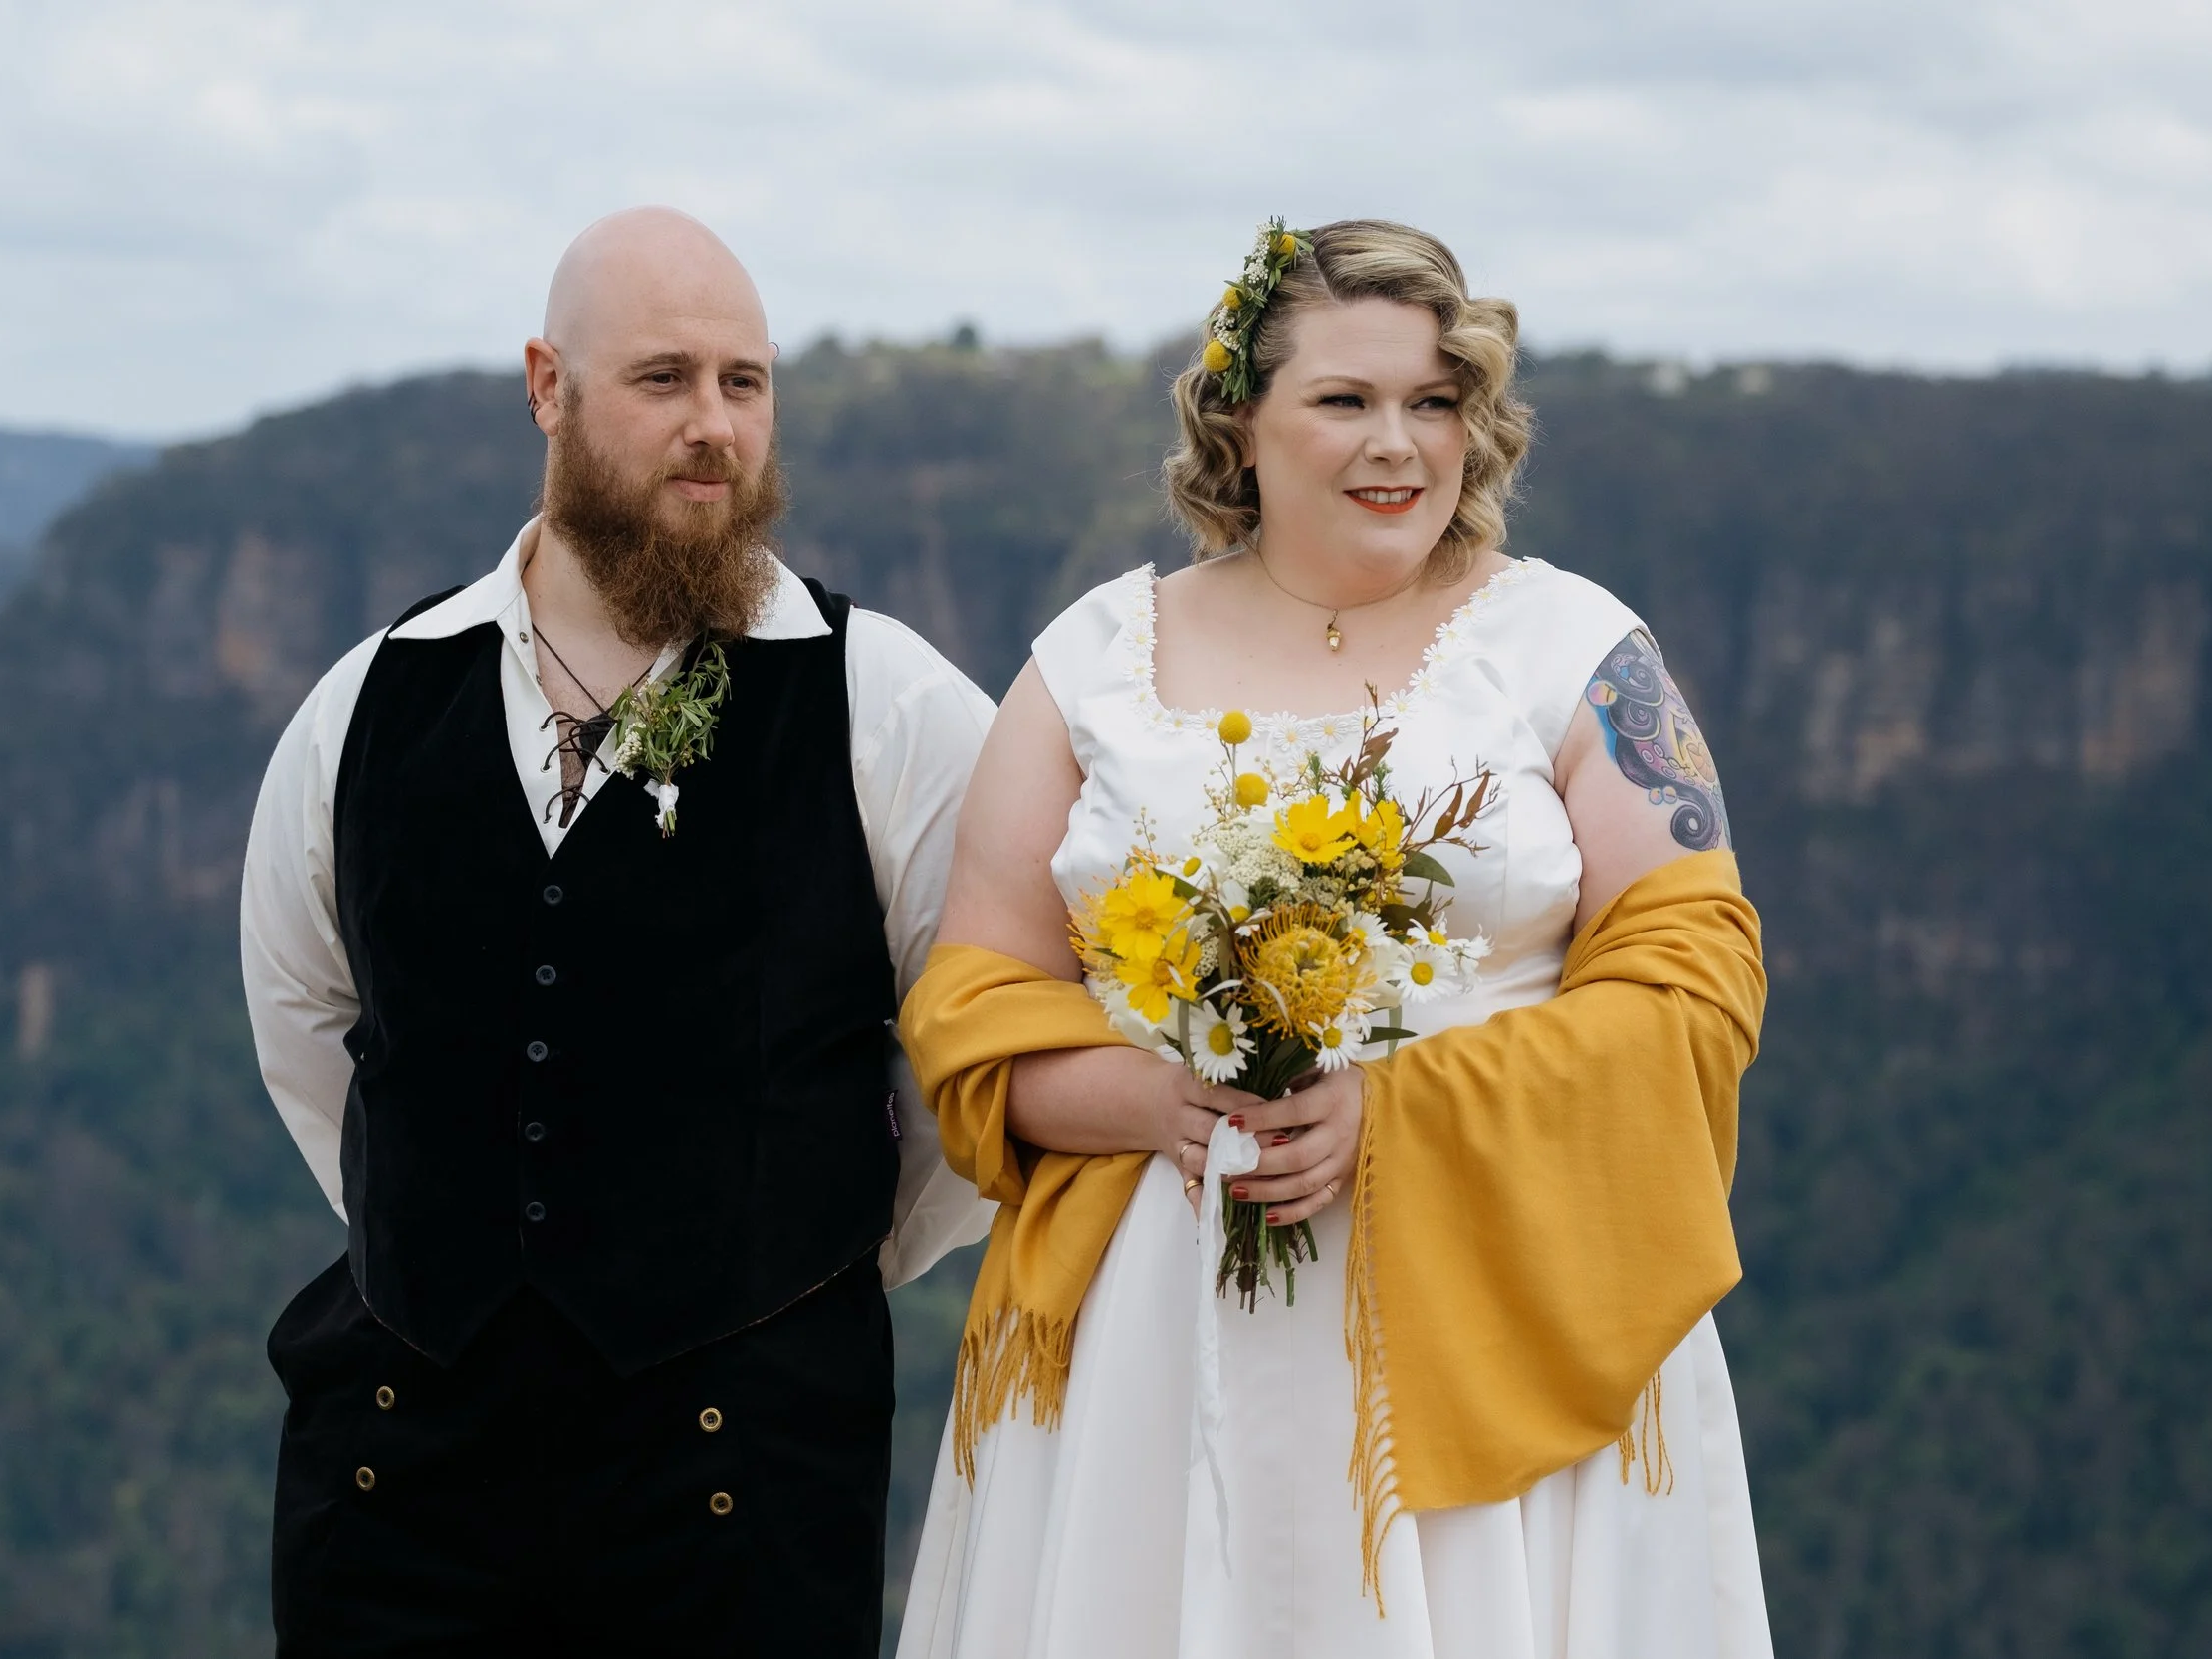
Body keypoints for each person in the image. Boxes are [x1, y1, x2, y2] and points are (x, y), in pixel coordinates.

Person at [894, 220, 1772, 1657]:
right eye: (1346, 400)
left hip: (1504, 1306)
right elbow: (973, 1001)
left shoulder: (1575, 648)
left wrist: (1400, 1112)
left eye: (1437, 401)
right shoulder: (1088, 666)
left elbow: (1695, 973)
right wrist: (1147, 1094)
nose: (1401, 445)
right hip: (1153, 1344)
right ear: (1241, 422)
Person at [239, 206, 993, 1655]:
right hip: (398, 1483)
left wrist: (805, 1247)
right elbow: (309, 1027)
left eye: (745, 382)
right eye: (664, 379)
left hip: (742, 1492)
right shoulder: (368, 701)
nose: (713, 426)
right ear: (547, 387)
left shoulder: (888, 704)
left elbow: (972, 1056)